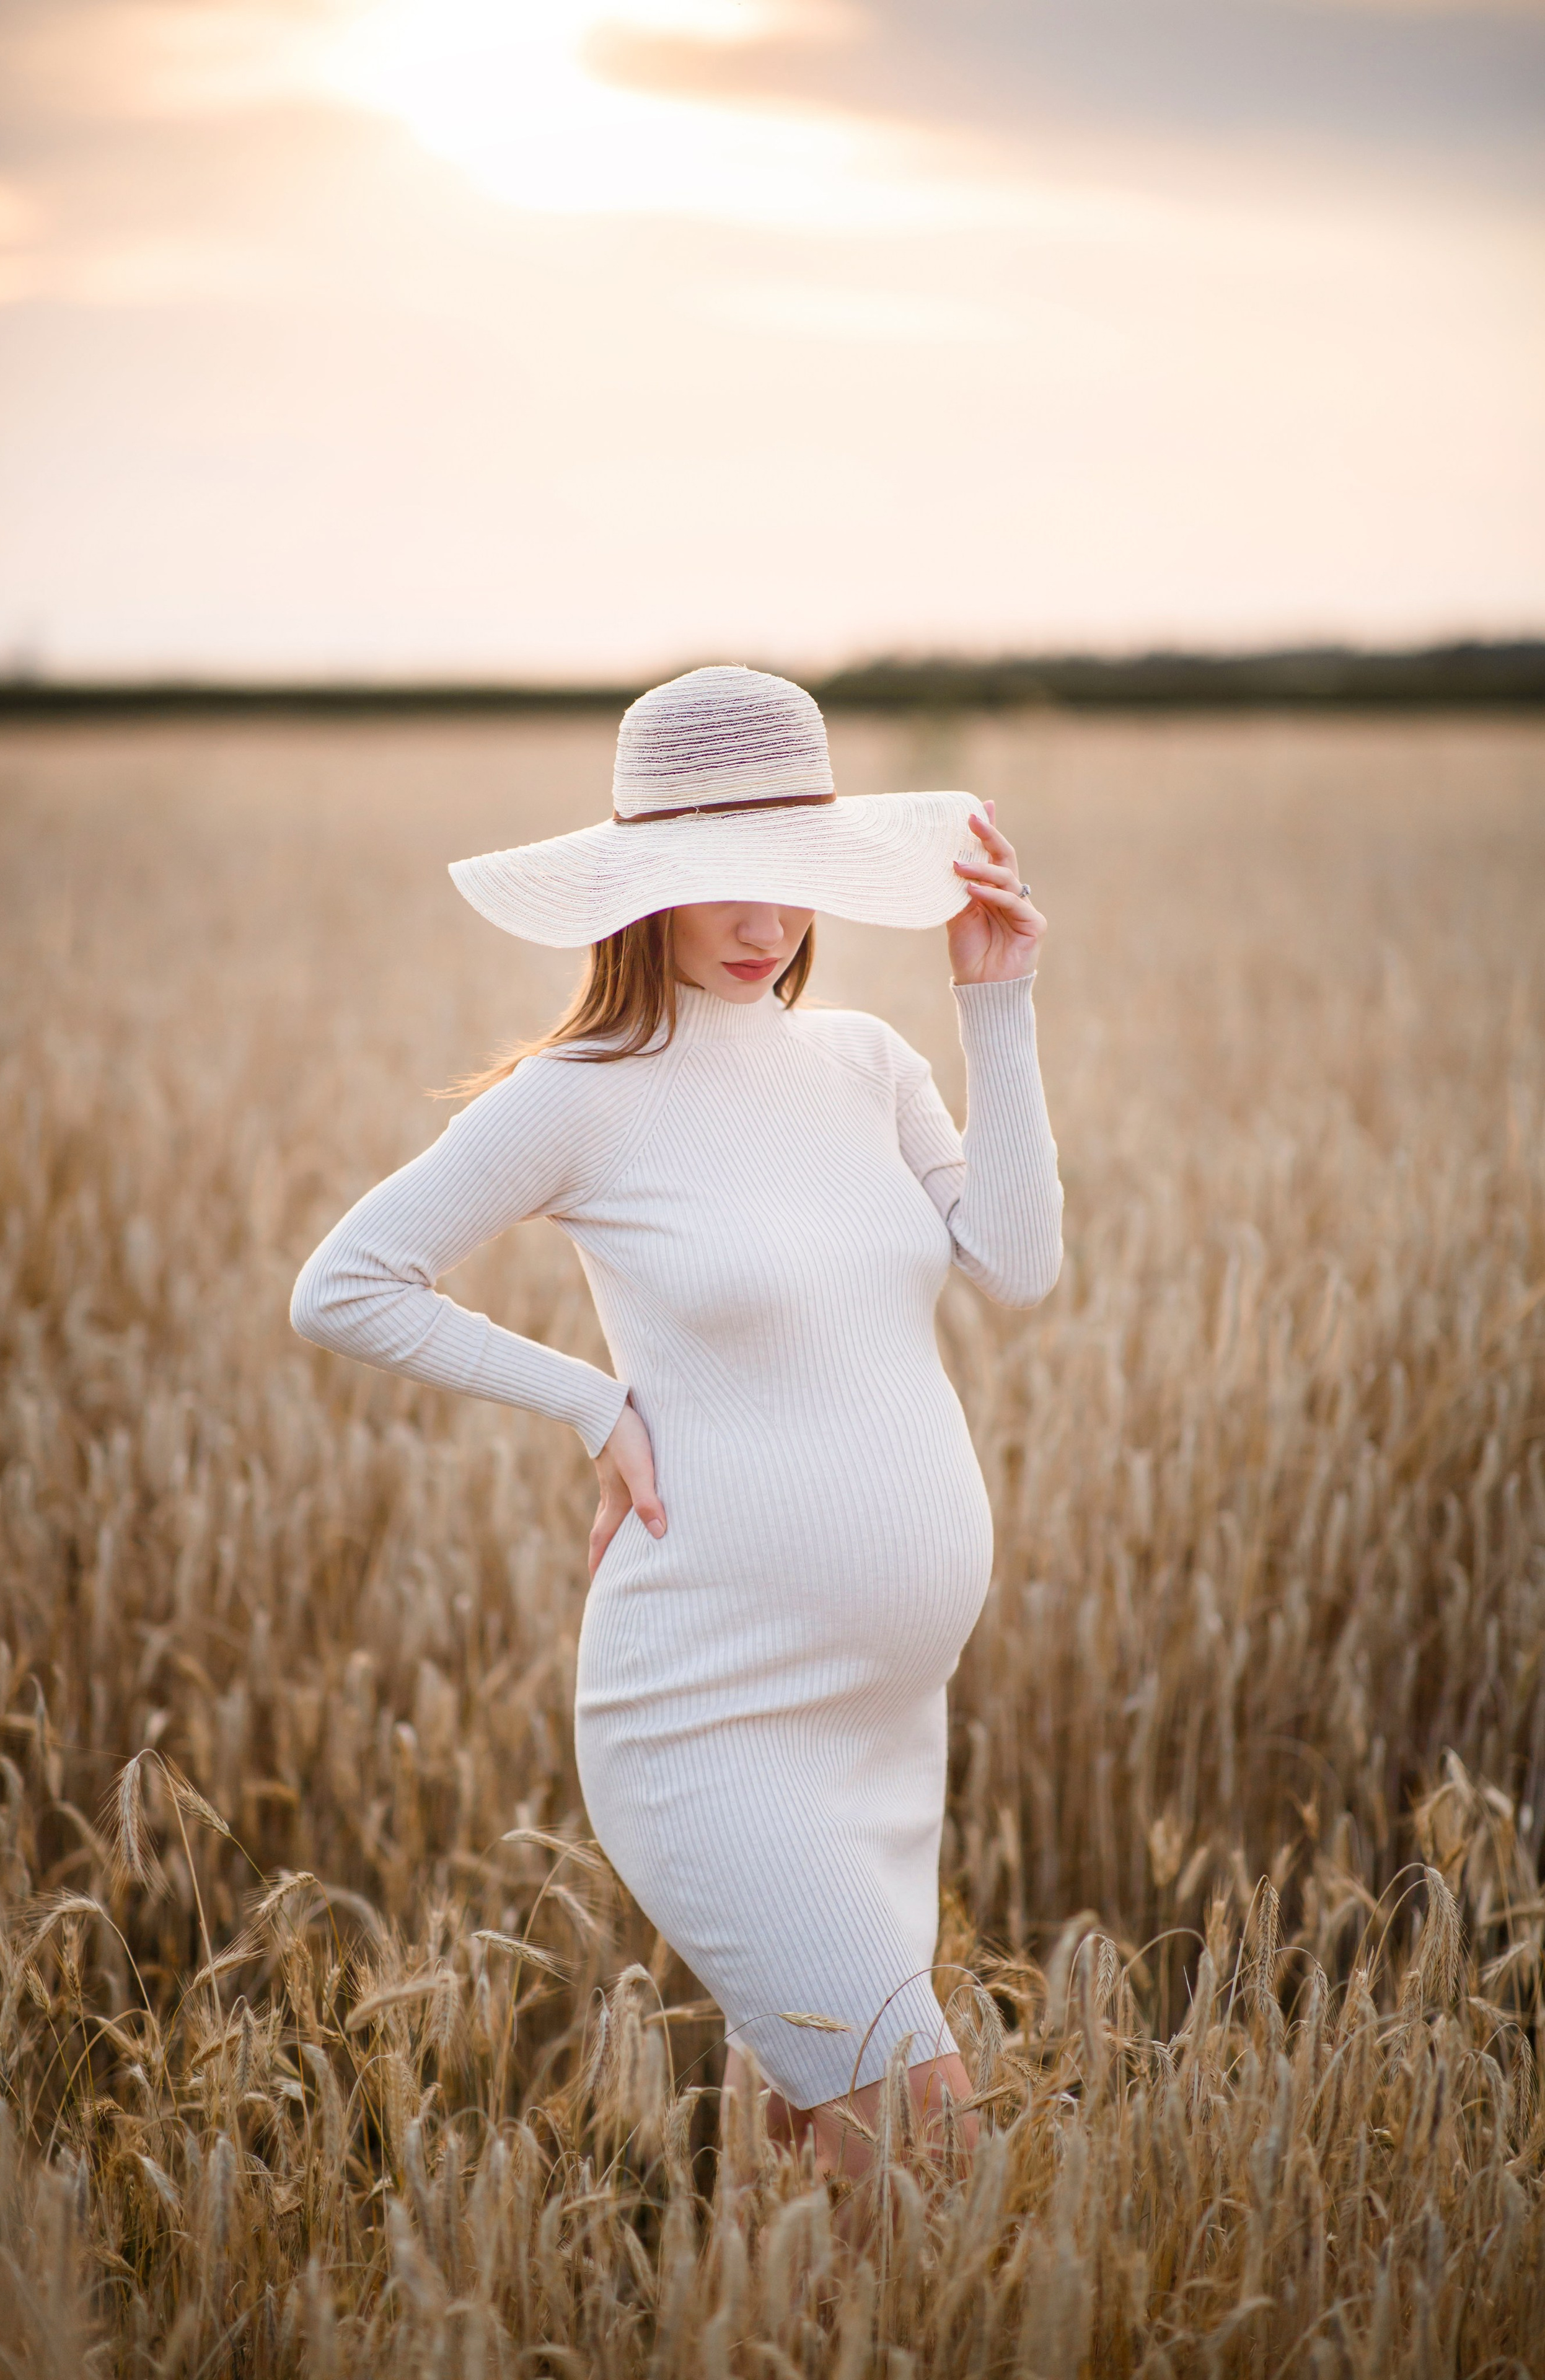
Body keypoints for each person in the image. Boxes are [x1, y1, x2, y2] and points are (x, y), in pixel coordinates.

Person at [290, 664, 1063, 2179]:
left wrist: (996, 1001)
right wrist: (590, 1399)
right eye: (725, 880)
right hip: (706, 1712)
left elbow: (1018, 1267)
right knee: (936, 2150)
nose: (766, 921)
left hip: (885, 1722)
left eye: (792, 875)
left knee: (821, 2173)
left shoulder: (865, 1063)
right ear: (643, 888)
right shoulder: (585, 1093)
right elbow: (345, 1284)